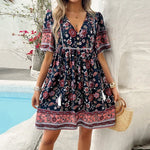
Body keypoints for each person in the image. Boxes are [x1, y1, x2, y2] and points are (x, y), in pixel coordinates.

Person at [32, 0, 120, 150]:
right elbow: (48, 57)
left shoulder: (95, 18)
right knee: (47, 139)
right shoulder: (52, 17)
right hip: (59, 83)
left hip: (89, 82)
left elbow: (100, 56)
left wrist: (112, 86)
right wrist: (37, 88)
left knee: (85, 133)